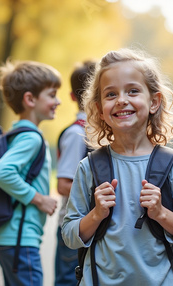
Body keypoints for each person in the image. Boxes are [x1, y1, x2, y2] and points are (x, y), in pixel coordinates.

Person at [61, 48, 173, 285]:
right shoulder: (89, 167)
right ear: (99, 109)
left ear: (154, 102)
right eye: (110, 94)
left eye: (133, 91)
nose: (121, 100)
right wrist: (96, 214)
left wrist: (161, 213)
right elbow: (69, 235)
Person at [0, 60, 60, 286]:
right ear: (30, 99)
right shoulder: (31, 138)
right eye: (51, 95)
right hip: (20, 238)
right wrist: (40, 199)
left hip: (13, 237)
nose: (57, 101)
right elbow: (2, 173)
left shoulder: (19, 133)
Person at [55, 60, 96, 286]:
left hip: (88, 227)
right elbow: (63, 185)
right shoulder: (76, 134)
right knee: (68, 281)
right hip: (74, 228)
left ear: (72, 96)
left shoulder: (94, 132)